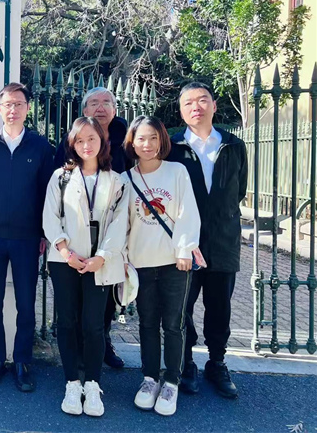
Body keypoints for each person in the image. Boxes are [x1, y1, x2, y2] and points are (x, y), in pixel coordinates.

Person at [43, 117, 128, 417]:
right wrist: (66, 251)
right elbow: (50, 217)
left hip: (100, 263)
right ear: (72, 144)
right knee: (66, 322)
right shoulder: (61, 177)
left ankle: (92, 384)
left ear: (102, 142)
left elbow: (120, 223)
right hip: (65, 260)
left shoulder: (116, 181)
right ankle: (71, 383)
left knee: (93, 325)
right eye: (80, 140)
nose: (86, 145)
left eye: (92, 139)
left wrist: (102, 256)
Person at [0, 82, 54, 392]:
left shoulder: (41, 147)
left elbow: (46, 194)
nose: (13, 109)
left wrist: (43, 233)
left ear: (27, 108)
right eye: (8, 104)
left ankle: (22, 362)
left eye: (19, 104)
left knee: (25, 304)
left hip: (26, 238)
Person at [168, 82, 247, 399]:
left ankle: (217, 362)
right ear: (181, 110)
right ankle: (186, 363)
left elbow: (238, 191)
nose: (196, 107)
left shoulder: (233, 145)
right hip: (186, 243)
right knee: (182, 307)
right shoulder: (173, 147)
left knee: (220, 307)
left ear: (214, 105)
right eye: (188, 102)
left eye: (202, 100)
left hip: (223, 241)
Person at [123, 115, 201, 416]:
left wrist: (184, 249)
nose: (147, 144)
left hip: (173, 263)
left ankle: (171, 381)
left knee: (173, 324)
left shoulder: (176, 172)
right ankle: (149, 378)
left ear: (162, 141)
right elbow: (124, 224)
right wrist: (124, 258)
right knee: (146, 323)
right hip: (141, 263)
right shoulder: (126, 179)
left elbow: (187, 213)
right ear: (132, 143)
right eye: (141, 138)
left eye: (153, 137)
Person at [54, 87, 131, 369]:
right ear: (84, 110)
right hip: (73, 240)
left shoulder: (128, 140)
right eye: (94, 103)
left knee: (106, 299)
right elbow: (54, 198)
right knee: (73, 302)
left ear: (115, 109)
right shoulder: (68, 145)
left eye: (106, 102)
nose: (100, 107)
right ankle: (76, 353)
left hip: (115, 235)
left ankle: (102, 344)